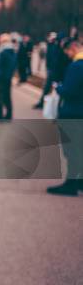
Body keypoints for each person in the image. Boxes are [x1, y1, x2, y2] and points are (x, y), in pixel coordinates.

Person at [47, 38, 83, 196]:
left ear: (74, 48)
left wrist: (58, 87)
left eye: (68, 51)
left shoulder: (77, 66)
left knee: (72, 150)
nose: (68, 55)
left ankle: (71, 184)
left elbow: (69, 90)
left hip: (73, 112)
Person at [0, 33, 17, 120]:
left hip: (0, 77)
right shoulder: (13, 50)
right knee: (7, 96)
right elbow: (14, 65)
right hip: (8, 77)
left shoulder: (2, 51)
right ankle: (9, 114)